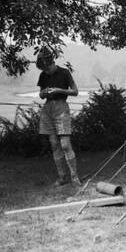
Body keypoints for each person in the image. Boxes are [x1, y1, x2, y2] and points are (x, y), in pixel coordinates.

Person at [36, 48, 81, 186]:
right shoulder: (43, 76)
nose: (45, 71)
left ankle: (74, 176)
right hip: (48, 109)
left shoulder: (64, 73)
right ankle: (62, 177)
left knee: (65, 145)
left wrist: (59, 90)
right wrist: (44, 92)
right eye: (43, 69)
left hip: (61, 108)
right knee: (55, 145)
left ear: (51, 62)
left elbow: (75, 91)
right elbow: (41, 95)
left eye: (46, 68)